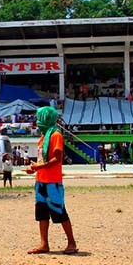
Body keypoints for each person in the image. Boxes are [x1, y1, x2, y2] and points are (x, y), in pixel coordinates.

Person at [24, 106, 78, 255]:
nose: (37, 121)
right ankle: (44, 244)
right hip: (41, 181)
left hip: (53, 182)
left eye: (39, 118)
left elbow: (57, 158)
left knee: (59, 212)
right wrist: (34, 168)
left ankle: (72, 242)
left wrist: (40, 166)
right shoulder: (43, 137)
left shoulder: (55, 135)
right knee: (41, 213)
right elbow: (42, 159)